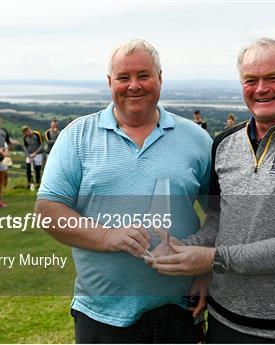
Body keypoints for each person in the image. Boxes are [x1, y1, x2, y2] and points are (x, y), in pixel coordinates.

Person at [150, 38, 275, 343]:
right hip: (223, 320)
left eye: (272, 78)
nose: (261, 89)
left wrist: (210, 259)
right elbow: (218, 223)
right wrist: (180, 247)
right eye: (251, 80)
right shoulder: (224, 143)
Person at [34, 39, 212, 343]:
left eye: (144, 75)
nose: (134, 86)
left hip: (180, 310)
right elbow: (49, 211)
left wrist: (205, 271)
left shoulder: (196, 139)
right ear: (109, 82)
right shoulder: (76, 136)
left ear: (160, 77)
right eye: (123, 78)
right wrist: (108, 236)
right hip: (101, 313)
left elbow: (220, 214)